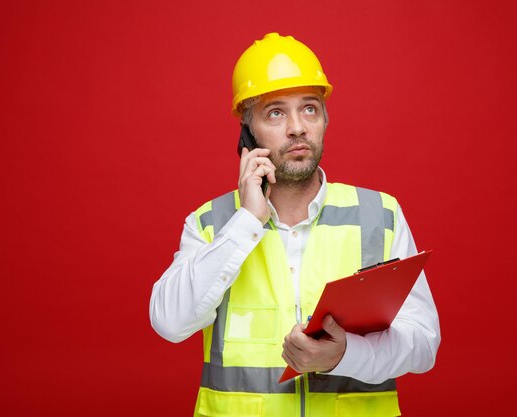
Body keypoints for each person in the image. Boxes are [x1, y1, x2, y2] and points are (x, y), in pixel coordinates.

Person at [150, 32, 440, 417]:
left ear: (324, 118)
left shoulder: (379, 215)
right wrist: (246, 222)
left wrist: (345, 355)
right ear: (247, 129)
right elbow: (170, 322)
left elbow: (423, 345)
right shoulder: (212, 223)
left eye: (309, 108)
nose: (297, 127)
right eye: (275, 112)